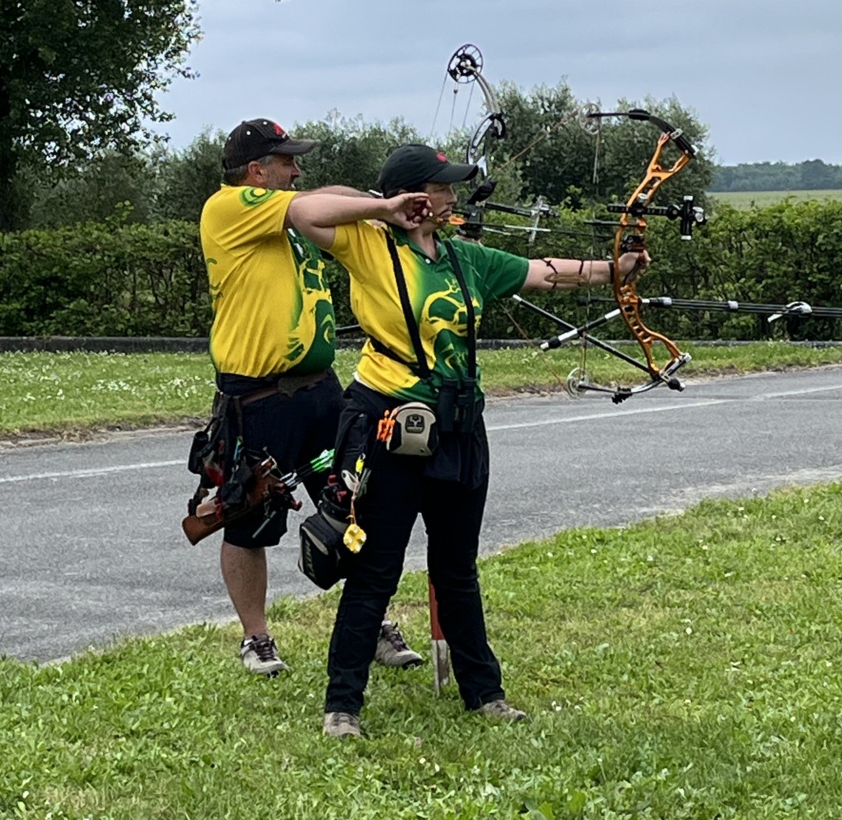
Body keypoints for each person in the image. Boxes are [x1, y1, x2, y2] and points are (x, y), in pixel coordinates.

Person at [287, 143, 650, 738]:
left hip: (458, 428)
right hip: (389, 424)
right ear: (413, 195)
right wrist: (383, 209)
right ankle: (342, 705)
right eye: (442, 188)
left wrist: (616, 269)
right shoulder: (369, 244)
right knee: (375, 570)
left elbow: (543, 272)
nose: (453, 198)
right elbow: (304, 210)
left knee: (456, 569)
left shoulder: (465, 257)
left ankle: (484, 693)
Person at [199, 118, 429, 676]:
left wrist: (382, 203)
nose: (297, 171)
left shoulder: (290, 213)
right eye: (287, 162)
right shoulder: (227, 207)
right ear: (257, 172)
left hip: (320, 392)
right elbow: (310, 203)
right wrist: (384, 207)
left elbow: (325, 197)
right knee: (248, 516)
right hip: (258, 396)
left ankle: (370, 623)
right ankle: (256, 638)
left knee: (353, 501)